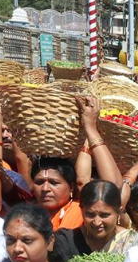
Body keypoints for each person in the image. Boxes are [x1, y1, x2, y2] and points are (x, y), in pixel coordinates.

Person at [32, 96, 122, 231]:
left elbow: (112, 185)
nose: (45, 189)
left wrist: (91, 129)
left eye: (54, 182)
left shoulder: (82, 210)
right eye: (39, 182)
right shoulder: (28, 213)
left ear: (72, 188)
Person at [53, 180, 138, 257]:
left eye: (104, 215)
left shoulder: (135, 243)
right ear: (81, 210)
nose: (97, 222)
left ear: (119, 211)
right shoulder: (65, 240)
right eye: (90, 214)